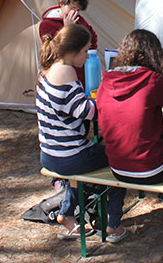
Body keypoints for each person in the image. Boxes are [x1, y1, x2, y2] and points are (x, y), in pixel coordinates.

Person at [96, 29, 163, 244]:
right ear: (154, 54)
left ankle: (114, 221)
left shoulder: (106, 81)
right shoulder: (151, 80)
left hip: (118, 169)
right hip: (151, 169)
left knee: (161, 138)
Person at [36, 25, 126, 242]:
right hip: (69, 156)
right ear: (73, 50)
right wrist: (110, 97)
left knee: (88, 160)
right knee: (122, 162)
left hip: (49, 153)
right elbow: (87, 112)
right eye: (86, 51)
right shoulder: (66, 71)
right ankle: (113, 224)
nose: (87, 57)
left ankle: (67, 214)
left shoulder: (47, 70)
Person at [39, 0, 98, 87]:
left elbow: (92, 40)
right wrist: (68, 30)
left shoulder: (79, 20)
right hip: (60, 78)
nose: (74, 12)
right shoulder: (47, 25)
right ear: (61, 4)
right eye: (72, 8)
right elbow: (53, 53)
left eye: (78, 10)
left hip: (82, 76)